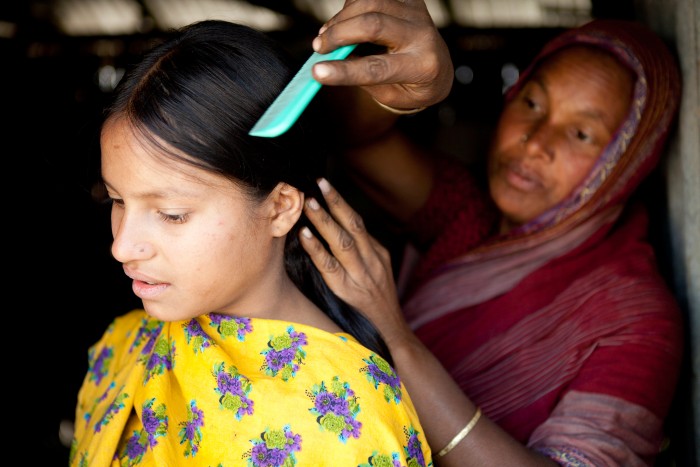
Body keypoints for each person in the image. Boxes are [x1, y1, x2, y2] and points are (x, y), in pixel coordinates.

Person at [302, 5, 684, 467]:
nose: (536, 142)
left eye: (581, 133)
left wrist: (394, 339)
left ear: (625, 164)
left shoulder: (633, 318)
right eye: (532, 104)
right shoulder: (467, 218)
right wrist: (410, 89)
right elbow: (356, 139)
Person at [68, 19, 434, 467]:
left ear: (280, 207)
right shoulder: (123, 346)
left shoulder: (350, 420)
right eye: (118, 201)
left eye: (172, 214)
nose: (122, 248)